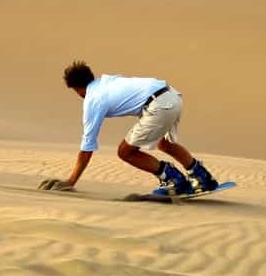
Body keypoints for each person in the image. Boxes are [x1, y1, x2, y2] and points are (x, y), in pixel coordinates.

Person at [38, 60, 219, 196]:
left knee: (125, 151)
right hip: (172, 96)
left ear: (76, 89)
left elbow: (87, 146)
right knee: (164, 144)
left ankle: (174, 180)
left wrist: (71, 180)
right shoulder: (106, 81)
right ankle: (203, 177)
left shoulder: (92, 99)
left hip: (158, 106)